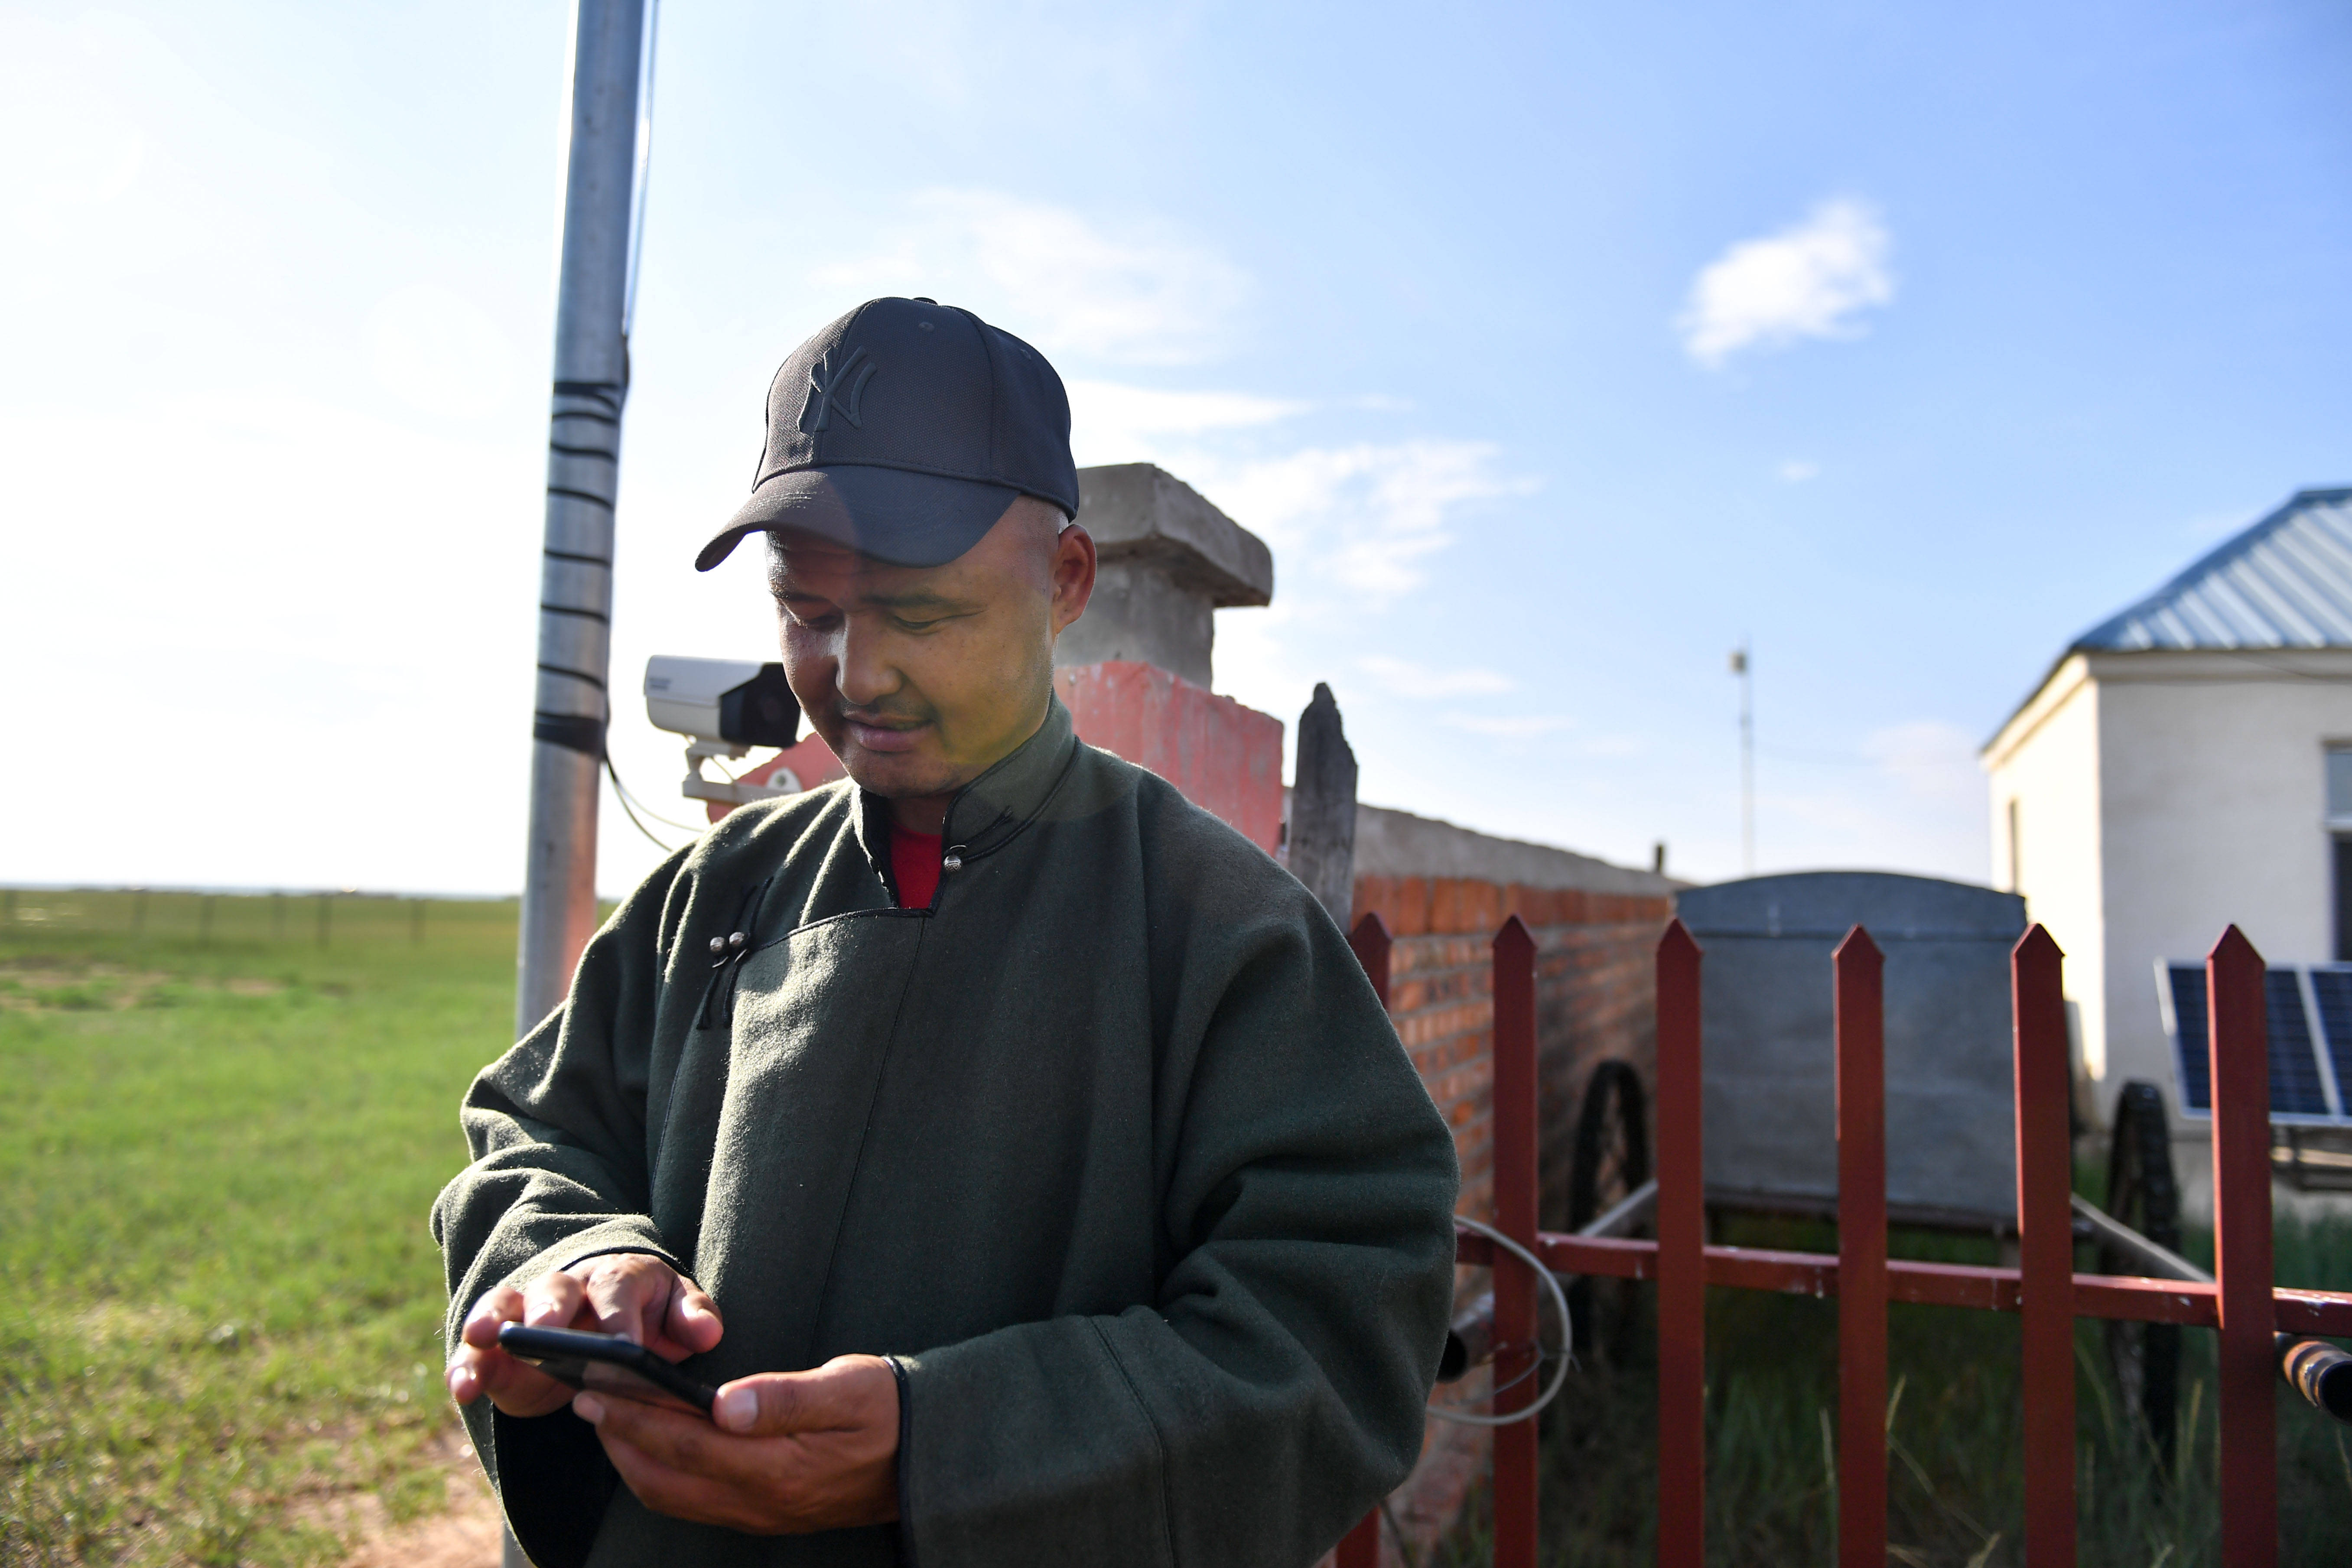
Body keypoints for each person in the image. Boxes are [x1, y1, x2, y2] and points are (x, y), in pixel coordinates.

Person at [434, 296, 1460, 1568]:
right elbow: (535, 1134)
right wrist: (576, 1263)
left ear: (1065, 581)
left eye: (920, 615)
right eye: (807, 611)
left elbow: (1336, 1326)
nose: (857, 674)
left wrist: (949, 1448)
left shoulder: (1220, 932)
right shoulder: (714, 891)